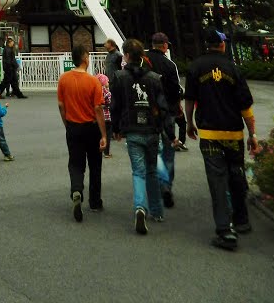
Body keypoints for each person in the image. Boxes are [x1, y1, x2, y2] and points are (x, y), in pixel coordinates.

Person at [184, 28, 259, 251]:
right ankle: (242, 220)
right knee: (236, 174)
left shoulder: (196, 67)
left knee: (217, 180)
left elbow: (189, 99)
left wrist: (189, 122)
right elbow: (245, 105)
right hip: (234, 133)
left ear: (207, 45)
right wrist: (252, 133)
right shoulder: (232, 68)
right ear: (222, 44)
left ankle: (225, 231)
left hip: (209, 134)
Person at [110, 38, 166, 234]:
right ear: (143, 55)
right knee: (152, 170)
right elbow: (163, 106)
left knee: (138, 172)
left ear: (125, 55)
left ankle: (140, 207)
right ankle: (157, 210)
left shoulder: (119, 77)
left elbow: (115, 106)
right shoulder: (155, 78)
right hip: (151, 129)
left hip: (132, 129)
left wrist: (115, 128)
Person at [56, 44, 106, 221]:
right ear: (85, 58)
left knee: (76, 163)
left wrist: (66, 124)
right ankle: (94, 201)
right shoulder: (93, 81)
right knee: (95, 164)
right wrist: (104, 134)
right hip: (91, 127)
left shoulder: (64, 79)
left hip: (73, 126)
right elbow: (98, 108)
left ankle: (76, 190)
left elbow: (61, 106)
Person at [146, 32, 183, 206]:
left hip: (146, 112)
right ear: (165, 46)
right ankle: (166, 184)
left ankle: (155, 183)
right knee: (168, 150)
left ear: (152, 44)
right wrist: (178, 108)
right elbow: (176, 89)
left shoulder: (143, 61)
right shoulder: (169, 65)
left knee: (152, 151)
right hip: (167, 111)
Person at [96, 73, 113, 157]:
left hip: (97, 117)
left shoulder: (96, 90)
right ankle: (106, 152)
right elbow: (110, 102)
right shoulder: (107, 92)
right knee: (107, 135)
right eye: (107, 81)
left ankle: (98, 149)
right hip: (106, 117)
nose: (108, 83)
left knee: (99, 134)